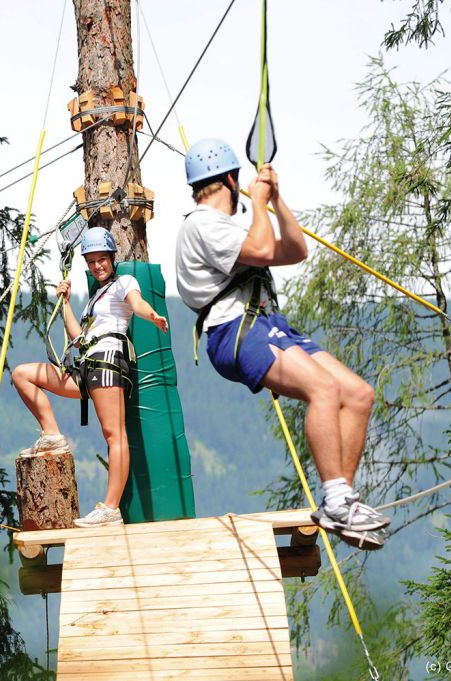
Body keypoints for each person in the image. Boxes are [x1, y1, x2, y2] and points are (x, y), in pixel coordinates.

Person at [175, 138, 389, 550]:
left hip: (266, 322)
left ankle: (342, 499)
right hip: (235, 329)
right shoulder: (203, 224)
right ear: (230, 180)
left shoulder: (227, 226)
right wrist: (257, 203)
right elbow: (259, 247)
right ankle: (336, 498)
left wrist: (276, 201)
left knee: (358, 394)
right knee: (323, 390)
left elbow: (295, 250)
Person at [11, 227, 169, 527]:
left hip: (108, 363)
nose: (97, 265)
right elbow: (78, 336)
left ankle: (110, 509)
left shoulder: (124, 282)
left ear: (112, 258)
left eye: (102, 260)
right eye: (92, 261)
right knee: (22, 374)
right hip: (86, 366)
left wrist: (152, 315)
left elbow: (136, 303)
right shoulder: (95, 298)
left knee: (114, 435)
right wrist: (67, 302)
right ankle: (53, 435)